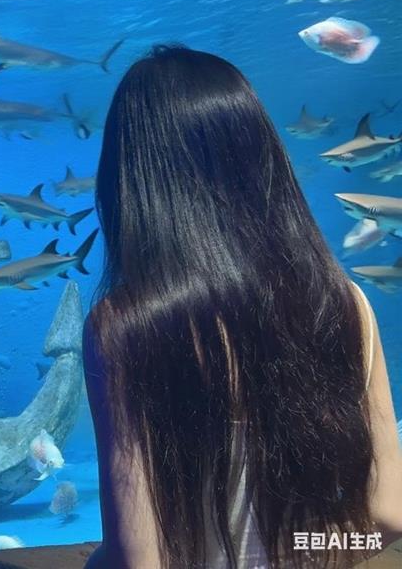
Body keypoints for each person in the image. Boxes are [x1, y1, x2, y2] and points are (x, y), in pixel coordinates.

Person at [83, 44, 402, 568]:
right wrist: (303, 554)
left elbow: (140, 558)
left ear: (130, 179)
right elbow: (389, 514)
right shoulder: (347, 303)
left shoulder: (126, 325)